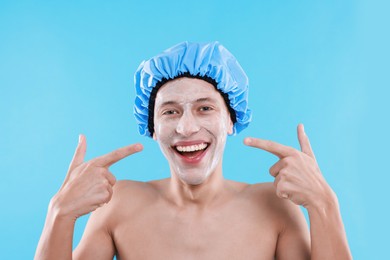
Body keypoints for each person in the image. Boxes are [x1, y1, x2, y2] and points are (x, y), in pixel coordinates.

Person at [35, 42, 352, 259]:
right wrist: (59, 214)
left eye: (204, 108)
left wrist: (325, 205)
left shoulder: (275, 208)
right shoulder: (119, 205)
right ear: (152, 128)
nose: (186, 128)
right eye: (170, 112)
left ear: (231, 120)